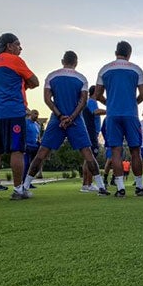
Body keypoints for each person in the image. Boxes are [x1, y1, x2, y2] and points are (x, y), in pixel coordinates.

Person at [23, 51, 109, 195]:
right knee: (88, 153)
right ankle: (101, 188)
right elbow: (83, 102)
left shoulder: (51, 76)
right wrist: (71, 117)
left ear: (63, 61)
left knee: (41, 153)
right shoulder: (82, 79)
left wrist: (61, 116)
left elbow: (47, 99)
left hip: (57, 120)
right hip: (76, 121)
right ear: (76, 62)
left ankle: (24, 187)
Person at [0, 33, 40, 201]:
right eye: (18, 44)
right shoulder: (15, 60)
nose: (20, 48)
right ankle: (18, 190)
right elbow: (35, 81)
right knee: (17, 150)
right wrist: (25, 83)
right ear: (9, 46)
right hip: (14, 111)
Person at [95, 41, 143, 197]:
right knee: (135, 150)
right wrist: (132, 103)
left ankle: (120, 189)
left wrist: (110, 103)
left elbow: (98, 94)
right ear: (129, 53)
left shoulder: (104, 69)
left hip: (112, 115)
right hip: (131, 114)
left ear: (115, 52)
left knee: (116, 152)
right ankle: (139, 187)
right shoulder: (136, 69)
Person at [81, 85, 105, 192]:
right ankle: (89, 184)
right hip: (92, 133)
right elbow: (95, 112)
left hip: (91, 133)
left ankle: (85, 184)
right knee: (91, 159)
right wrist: (111, 110)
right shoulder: (91, 101)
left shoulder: (91, 102)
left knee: (87, 159)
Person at [24, 109, 41, 188]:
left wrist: (39, 142)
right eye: (35, 113)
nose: (36, 115)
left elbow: (38, 136)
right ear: (31, 114)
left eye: (37, 114)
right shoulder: (25, 123)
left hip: (35, 147)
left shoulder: (37, 125)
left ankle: (28, 183)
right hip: (27, 146)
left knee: (33, 165)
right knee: (26, 164)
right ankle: (23, 182)